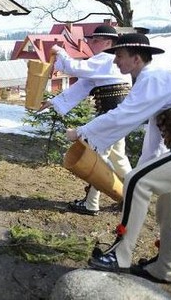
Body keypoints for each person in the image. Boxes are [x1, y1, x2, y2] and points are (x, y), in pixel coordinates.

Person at [65, 33, 171, 284]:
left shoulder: (155, 77)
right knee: (169, 208)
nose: (115, 61)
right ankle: (166, 267)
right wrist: (146, 167)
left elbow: (123, 115)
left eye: (119, 56)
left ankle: (120, 255)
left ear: (136, 59)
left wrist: (82, 132)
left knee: (136, 180)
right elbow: (155, 135)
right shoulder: (154, 84)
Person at [40, 25, 133, 216]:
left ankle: (91, 204)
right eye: (90, 40)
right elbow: (83, 85)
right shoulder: (107, 64)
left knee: (97, 160)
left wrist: (60, 51)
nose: (90, 43)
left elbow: (76, 67)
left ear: (108, 43)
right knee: (118, 158)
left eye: (95, 40)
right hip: (118, 120)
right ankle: (134, 196)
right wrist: (53, 102)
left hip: (108, 120)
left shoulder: (105, 59)